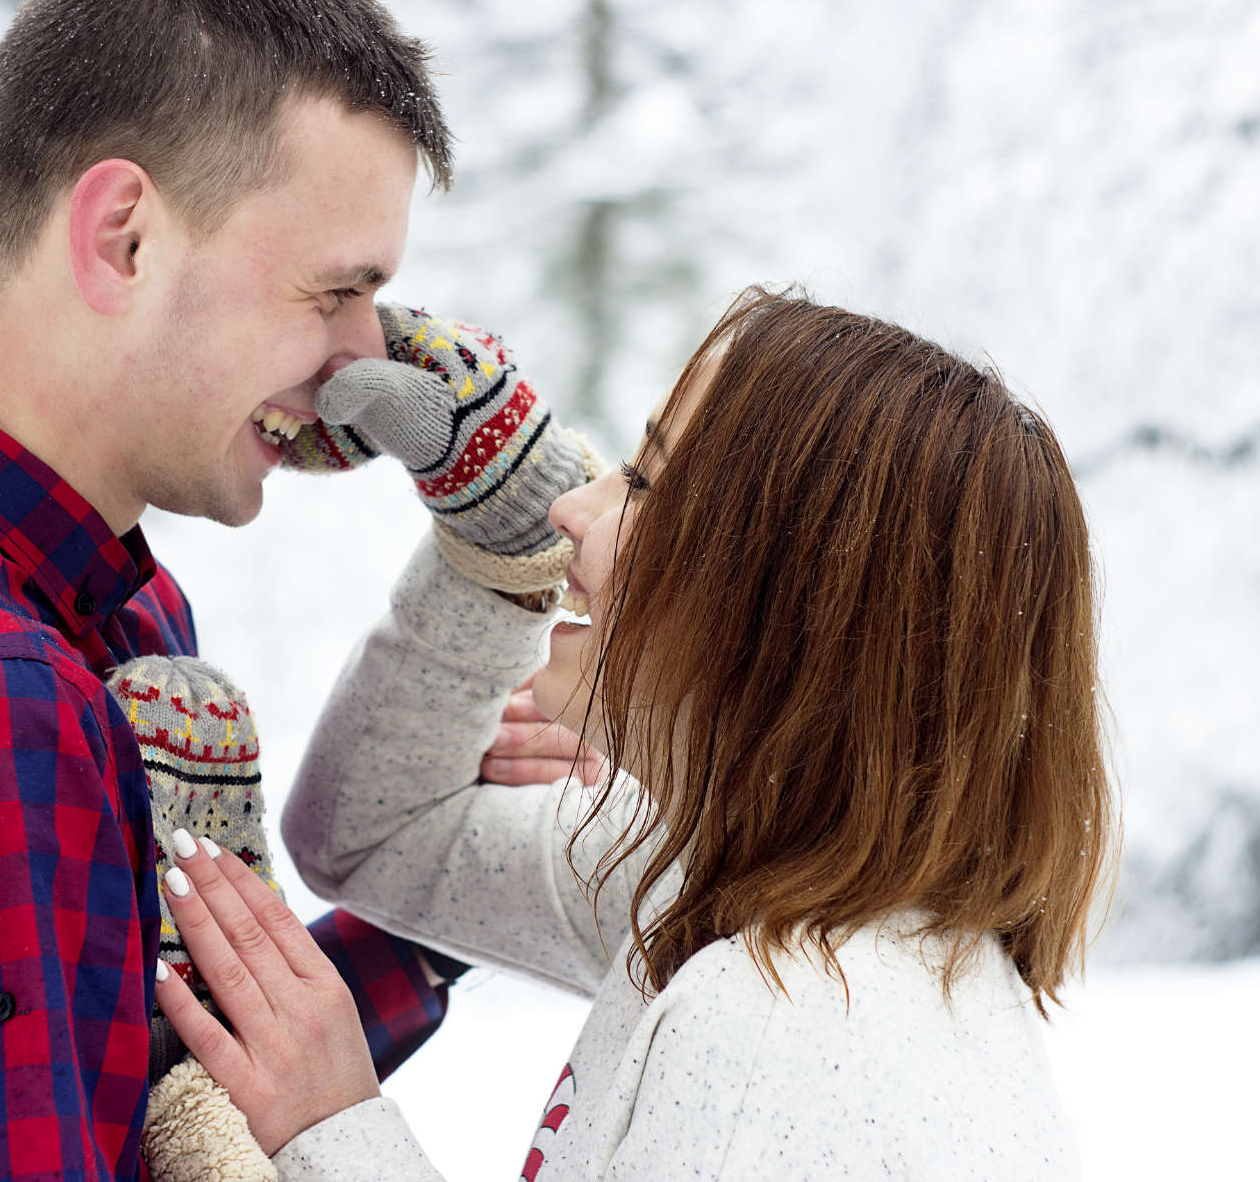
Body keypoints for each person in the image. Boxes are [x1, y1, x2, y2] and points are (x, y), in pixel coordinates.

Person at [0, 0, 594, 1178]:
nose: (366, 355)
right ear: (123, 238)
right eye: (334, 291)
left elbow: (124, 1088)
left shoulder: (82, 608)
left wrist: (438, 885)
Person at [151, 287, 1117, 1178]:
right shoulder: (727, 882)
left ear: (787, 604)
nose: (572, 508)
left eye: (646, 482)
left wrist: (333, 1130)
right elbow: (374, 836)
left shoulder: (781, 1025)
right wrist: (495, 540)